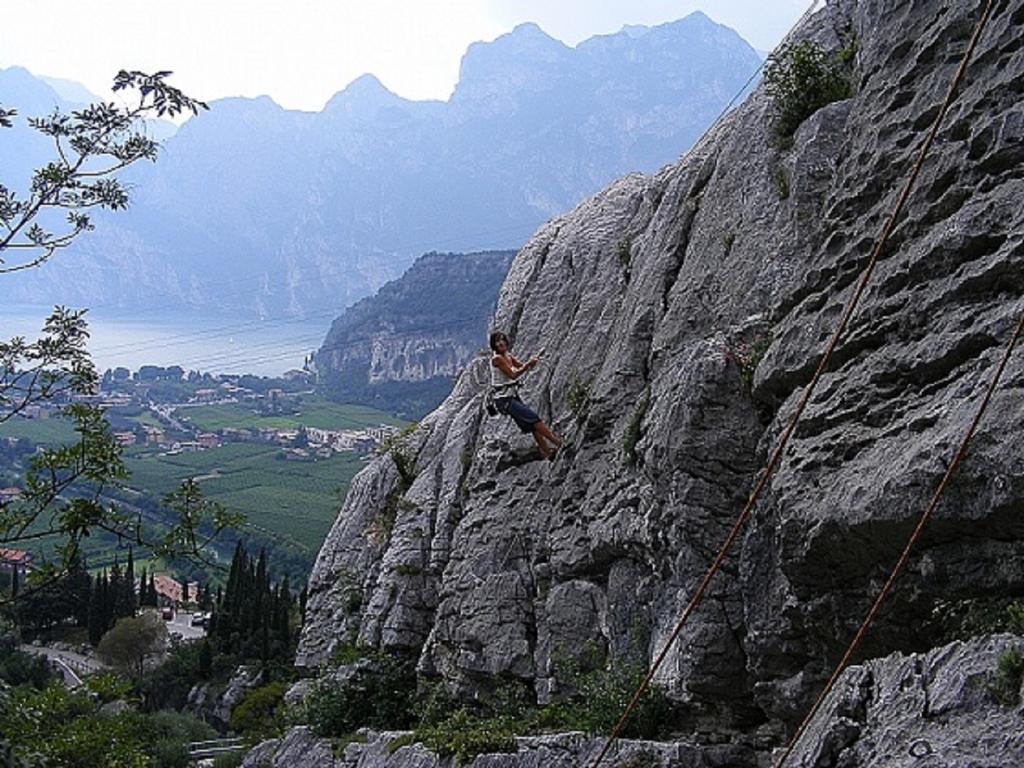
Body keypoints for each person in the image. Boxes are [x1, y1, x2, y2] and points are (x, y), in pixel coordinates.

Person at [489, 330, 563, 460]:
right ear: (494, 345)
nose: (500, 343)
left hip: (510, 396)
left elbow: (521, 367)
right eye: (497, 341)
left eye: (502, 339)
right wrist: (529, 364)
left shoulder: (507, 356)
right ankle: (559, 443)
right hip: (503, 399)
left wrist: (531, 363)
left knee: (530, 424)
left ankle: (547, 452)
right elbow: (513, 374)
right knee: (534, 418)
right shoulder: (497, 359)